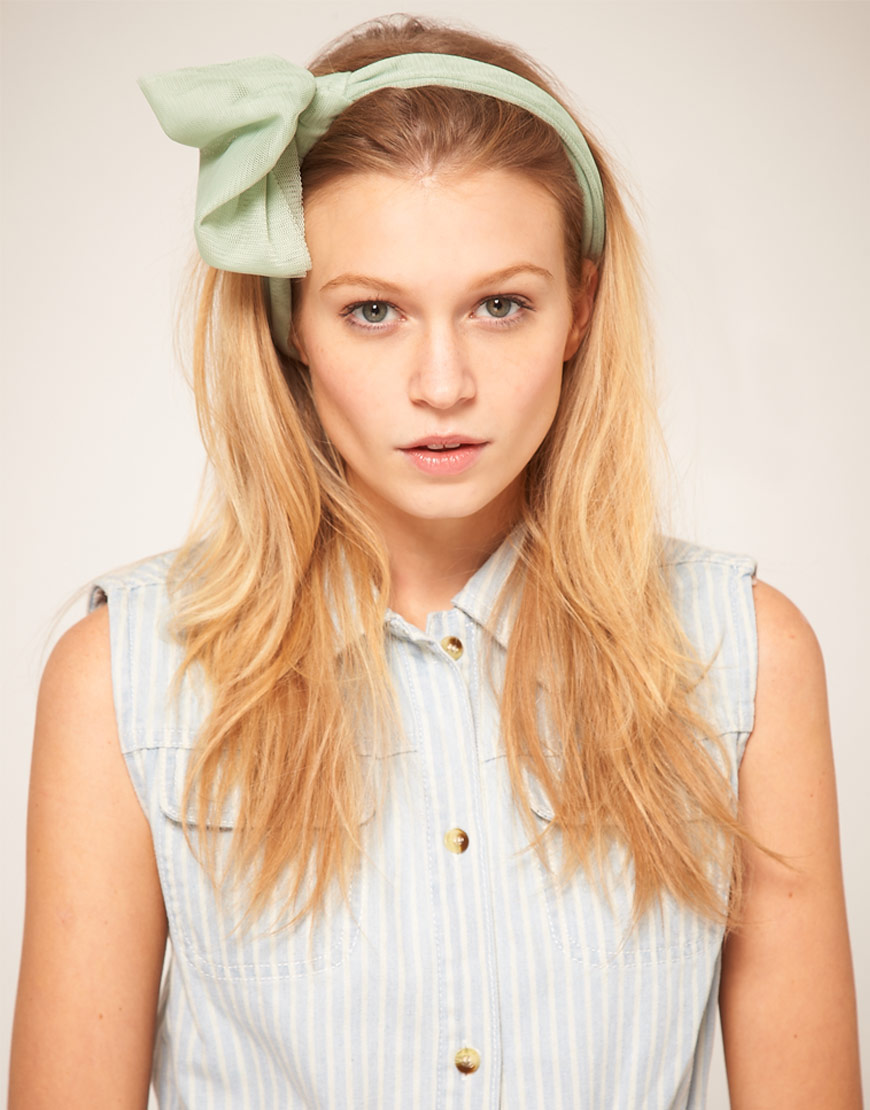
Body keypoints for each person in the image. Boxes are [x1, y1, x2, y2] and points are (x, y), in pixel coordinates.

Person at [9, 14, 861, 1109]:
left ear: (578, 311)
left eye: (500, 306)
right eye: (374, 312)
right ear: (292, 325)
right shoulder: (122, 679)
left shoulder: (743, 657)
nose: (443, 384)